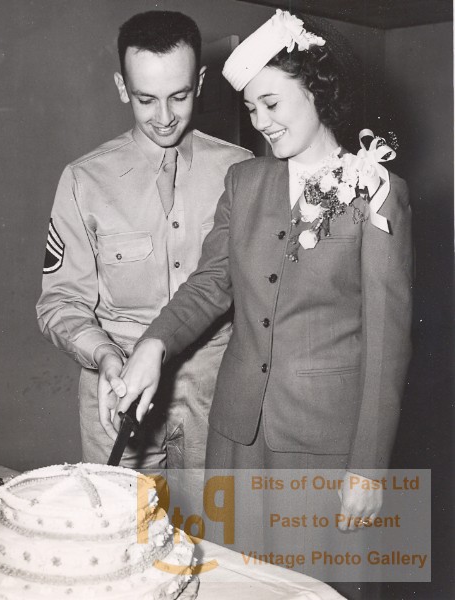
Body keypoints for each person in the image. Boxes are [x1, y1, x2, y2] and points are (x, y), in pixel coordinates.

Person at [108, 11, 412, 590]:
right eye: (251, 109)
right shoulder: (245, 184)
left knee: (318, 587)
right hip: (237, 435)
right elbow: (210, 283)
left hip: (326, 444)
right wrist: (155, 343)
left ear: (317, 89)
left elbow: (388, 342)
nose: (261, 122)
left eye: (272, 103)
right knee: (236, 585)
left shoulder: (376, 190)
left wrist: (369, 469)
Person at [36, 11, 252, 472]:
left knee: (212, 537)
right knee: (126, 535)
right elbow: (60, 303)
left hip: (214, 397)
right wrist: (104, 354)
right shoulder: (83, 181)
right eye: (145, 99)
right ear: (121, 87)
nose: (164, 117)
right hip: (117, 396)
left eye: (179, 96)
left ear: (200, 81)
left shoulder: (242, 171)